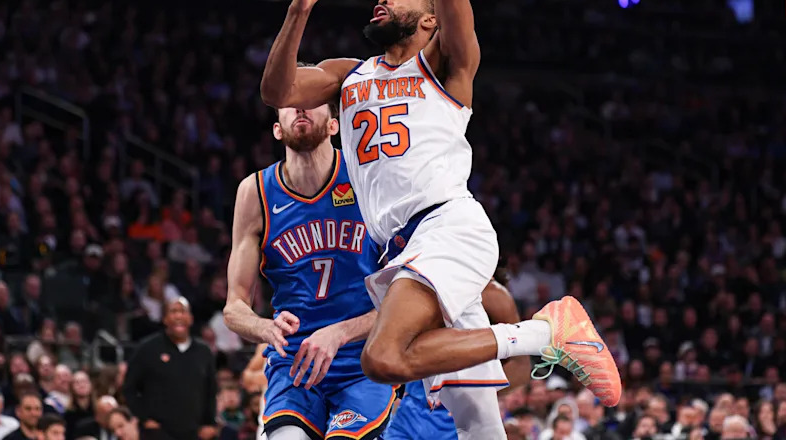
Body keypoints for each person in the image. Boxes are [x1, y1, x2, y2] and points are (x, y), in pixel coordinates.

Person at [259, 0, 621, 439]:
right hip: (400, 248)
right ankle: (532, 335)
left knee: (383, 358)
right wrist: (299, 7)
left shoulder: (446, 64)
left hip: (446, 227)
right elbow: (276, 91)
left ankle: (547, 333)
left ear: (429, 20)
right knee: (477, 422)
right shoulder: (349, 75)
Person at [224, 103, 396, 440]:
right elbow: (233, 307)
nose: (300, 106)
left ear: (334, 125)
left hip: (362, 361)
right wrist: (264, 327)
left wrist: (339, 333)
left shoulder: (367, 178)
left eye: (311, 99)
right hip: (295, 363)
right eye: (290, 103)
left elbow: (404, 300)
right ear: (277, 129)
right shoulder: (255, 193)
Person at [386, 272, 531, 439]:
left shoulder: (492, 295)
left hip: (458, 417)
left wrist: (479, 396)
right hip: (412, 411)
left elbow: (521, 365)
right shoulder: (417, 281)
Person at [122, 297, 216, 440]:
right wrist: (144, 418)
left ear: (190, 318)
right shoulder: (147, 349)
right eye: (173, 311)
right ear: (165, 319)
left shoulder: (204, 352)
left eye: (183, 311)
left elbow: (211, 391)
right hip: (159, 433)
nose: (178, 316)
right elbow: (129, 388)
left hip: (195, 433)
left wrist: (210, 423)